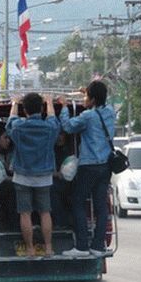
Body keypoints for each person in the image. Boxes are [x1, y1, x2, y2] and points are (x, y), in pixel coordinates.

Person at [58, 80, 115, 258]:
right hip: (106, 165)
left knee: (77, 201)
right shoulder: (111, 112)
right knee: (100, 205)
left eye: (86, 96)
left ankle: (82, 245)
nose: (83, 99)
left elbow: (67, 126)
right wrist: (89, 93)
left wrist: (64, 107)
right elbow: (103, 100)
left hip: (89, 165)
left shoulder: (88, 116)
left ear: (92, 99)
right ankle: (98, 245)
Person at [6, 92, 61, 258]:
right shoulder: (50, 128)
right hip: (44, 177)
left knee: (25, 213)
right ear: (41, 109)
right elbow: (53, 120)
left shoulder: (18, 128)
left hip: (22, 176)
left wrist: (15, 103)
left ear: (25, 110)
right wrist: (49, 102)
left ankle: (29, 249)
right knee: (45, 212)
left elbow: (10, 122)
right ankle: (49, 248)